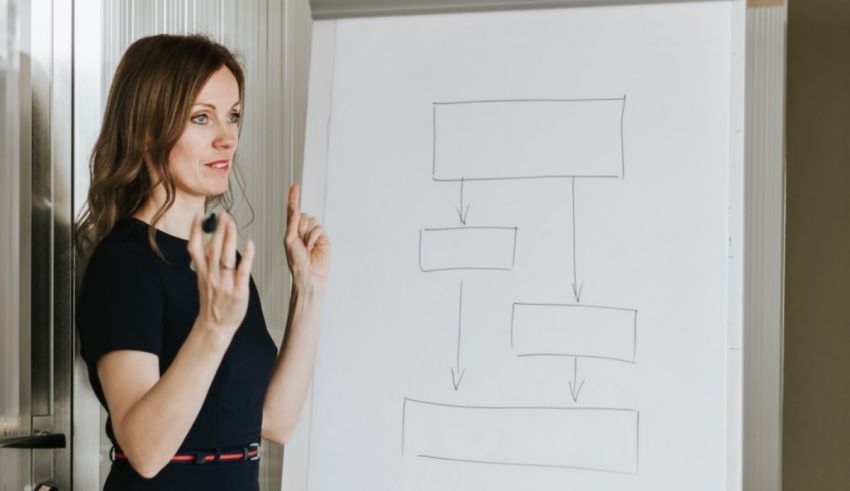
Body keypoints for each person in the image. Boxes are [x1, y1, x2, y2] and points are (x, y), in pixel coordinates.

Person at [74, 34, 330, 490]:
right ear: (148, 129)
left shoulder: (221, 260)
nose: (227, 136)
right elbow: (146, 450)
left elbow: (274, 422)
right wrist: (212, 329)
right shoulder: (124, 264)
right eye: (201, 118)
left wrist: (307, 292)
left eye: (232, 115)